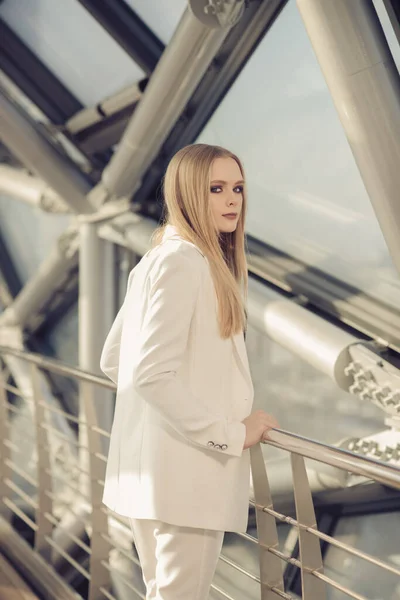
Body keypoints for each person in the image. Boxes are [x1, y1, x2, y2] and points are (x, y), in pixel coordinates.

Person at [100, 143, 279, 600]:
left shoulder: (157, 260)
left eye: (237, 188)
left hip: (151, 478)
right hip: (186, 480)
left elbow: (114, 359)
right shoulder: (185, 263)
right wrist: (231, 433)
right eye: (216, 189)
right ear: (186, 195)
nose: (232, 200)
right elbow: (149, 374)